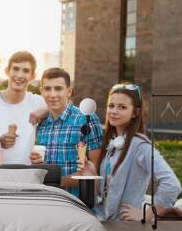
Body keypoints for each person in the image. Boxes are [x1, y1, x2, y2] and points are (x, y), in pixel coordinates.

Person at [77, 83, 181, 221]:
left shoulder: (140, 146)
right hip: (105, 222)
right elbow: (105, 193)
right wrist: (92, 174)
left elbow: (172, 184)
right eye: (111, 105)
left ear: (135, 112)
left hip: (126, 229)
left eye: (122, 107)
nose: (114, 111)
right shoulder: (113, 144)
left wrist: (146, 214)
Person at [30, 68, 103, 195]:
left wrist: (56, 183)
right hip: (47, 200)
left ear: (69, 91)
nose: (52, 94)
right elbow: (44, 166)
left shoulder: (86, 119)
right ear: (41, 91)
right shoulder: (42, 124)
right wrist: (37, 163)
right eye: (47, 89)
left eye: (58, 88)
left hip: (77, 203)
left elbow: (94, 173)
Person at [0, 51, 46, 164]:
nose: (19, 75)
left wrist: (46, 110)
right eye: (16, 69)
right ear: (7, 71)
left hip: (27, 175)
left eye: (26, 71)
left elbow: (62, 107)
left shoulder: (38, 102)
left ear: (33, 76)